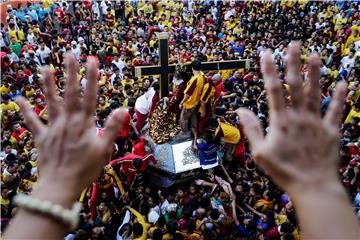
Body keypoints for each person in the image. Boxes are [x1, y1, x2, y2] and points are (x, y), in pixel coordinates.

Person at [179, 60, 205, 149]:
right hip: (196, 102)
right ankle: (194, 129)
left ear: (192, 68)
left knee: (184, 118)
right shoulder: (202, 75)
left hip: (189, 104)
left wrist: (181, 102)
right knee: (193, 117)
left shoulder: (194, 80)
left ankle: (184, 132)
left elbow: (187, 94)